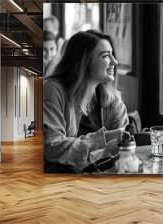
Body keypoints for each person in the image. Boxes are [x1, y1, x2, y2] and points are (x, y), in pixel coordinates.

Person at [43, 30, 129, 173]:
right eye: (106, 56)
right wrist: (104, 139)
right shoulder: (53, 89)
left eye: (112, 55)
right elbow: (53, 147)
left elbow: (123, 149)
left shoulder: (113, 102)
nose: (115, 62)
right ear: (84, 61)